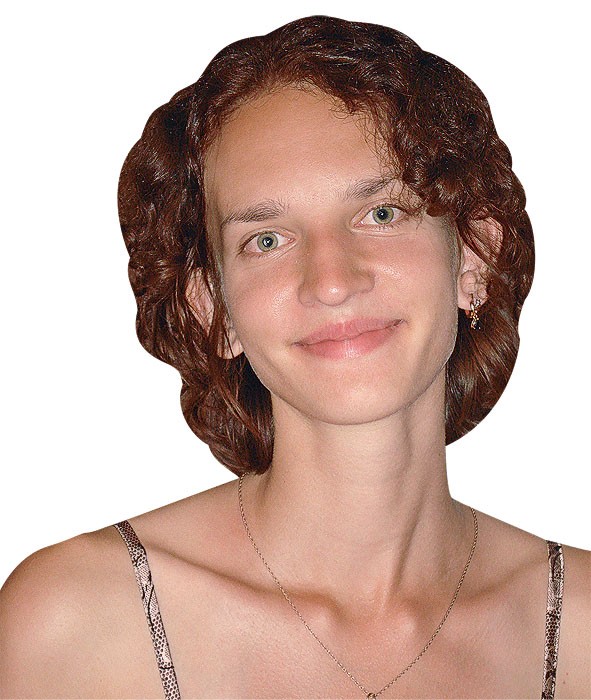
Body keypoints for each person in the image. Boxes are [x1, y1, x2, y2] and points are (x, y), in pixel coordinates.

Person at [0, 15, 589, 699]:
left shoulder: (579, 630)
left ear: (475, 258)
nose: (332, 281)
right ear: (213, 309)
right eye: (268, 239)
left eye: (381, 214)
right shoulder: (77, 625)